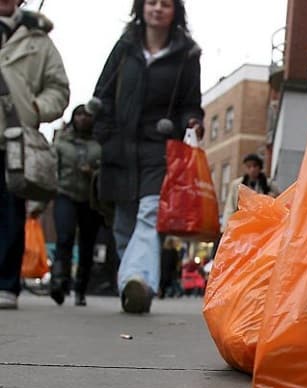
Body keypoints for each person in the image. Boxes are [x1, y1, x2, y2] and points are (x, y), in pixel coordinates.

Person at [92, 0, 204, 314]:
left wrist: (192, 122)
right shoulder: (125, 47)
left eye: (165, 4)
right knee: (124, 223)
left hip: (159, 146)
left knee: (150, 213)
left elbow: (190, 102)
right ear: (141, 8)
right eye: (151, 2)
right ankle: (132, 283)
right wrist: (103, 132)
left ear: (175, 11)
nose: (157, 9)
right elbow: (102, 93)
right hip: (120, 145)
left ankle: (138, 280)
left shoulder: (187, 54)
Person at [0, 1, 70, 310]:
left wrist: (36, 108)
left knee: (10, 212)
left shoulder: (39, 40)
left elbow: (59, 89)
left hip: (14, 139)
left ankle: (5, 284)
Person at [49, 105, 102, 307]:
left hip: (90, 200)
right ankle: (59, 282)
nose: (83, 119)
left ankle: (81, 289)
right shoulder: (62, 142)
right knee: (64, 237)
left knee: (87, 244)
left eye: (87, 115)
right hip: (65, 194)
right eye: (79, 115)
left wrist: (93, 173)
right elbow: (52, 169)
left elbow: (105, 171)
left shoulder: (99, 144)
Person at [220, 153, 272, 233]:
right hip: (242, 224)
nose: (252, 169)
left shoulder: (269, 184)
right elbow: (230, 207)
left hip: (262, 226)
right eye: (249, 166)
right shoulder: (237, 185)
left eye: (255, 166)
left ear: (260, 167)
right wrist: (226, 227)